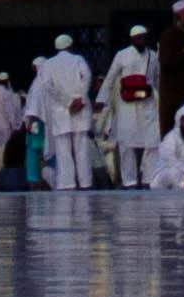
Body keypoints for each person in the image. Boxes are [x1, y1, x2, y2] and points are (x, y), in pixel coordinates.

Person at [95, 25, 159, 187]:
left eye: (144, 37)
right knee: (127, 144)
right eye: (138, 38)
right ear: (132, 39)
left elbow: (158, 79)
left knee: (152, 141)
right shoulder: (122, 55)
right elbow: (110, 77)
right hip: (127, 105)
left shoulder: (153, 55)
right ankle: (129, 180)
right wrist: (101, 99)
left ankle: (148, 179)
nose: (141, 40)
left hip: (148, 104)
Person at [34, 33, 93, 190]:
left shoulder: (49, 64)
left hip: (61, 111)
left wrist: (66, 102)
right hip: (80, 108)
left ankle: (68, 183)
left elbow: (47, 85)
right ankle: (85, 182)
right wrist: (80, 98)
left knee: (63, 149)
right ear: (70, 45)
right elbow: (87, 76)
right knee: (81, 147)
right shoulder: (78, 59)